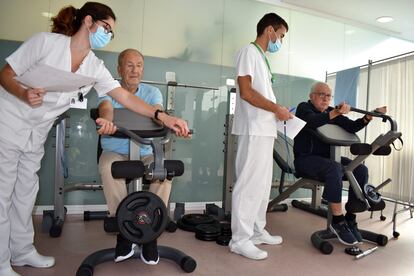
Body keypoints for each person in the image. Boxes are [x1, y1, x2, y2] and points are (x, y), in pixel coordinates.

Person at [0, 3, 189, 275]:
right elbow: (5, 74)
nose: (109, 35)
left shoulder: (93, 65)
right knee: (4, 192)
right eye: (107, 28)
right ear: (88, 21)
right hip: (11, 120)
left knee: (26, 191)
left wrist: (164, 116)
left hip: (37, 130)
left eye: (112, 33)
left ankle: (22, 250)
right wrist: (22, 94)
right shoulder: (45, 43)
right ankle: (2, 260)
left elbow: (123, 97)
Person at [98, 48, 173, 265]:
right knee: (108, 167)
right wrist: (107, 120)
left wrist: (165, 119)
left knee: (163, 171)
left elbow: (157, 111)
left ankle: (151, 230)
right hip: (116, 151)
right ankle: (124, 229)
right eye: (129, 65)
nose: (135, 70)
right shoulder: (108, 89)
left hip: (145, 152)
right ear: (119, 68)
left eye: (139, 65)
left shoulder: (152, 93)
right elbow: (105, 108)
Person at [229, 13, 293, 260]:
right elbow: (245, 92)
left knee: (262, 185)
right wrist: (276, 108)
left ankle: (256, 231)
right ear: (270, 30)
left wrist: (278, 111)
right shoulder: (248, 52)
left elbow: (262, 96)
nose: (281, 41)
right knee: (248, 185)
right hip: (252, 129)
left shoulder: (262, 59)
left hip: (265, 130)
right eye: (281, 35)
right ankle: (239, 240)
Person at [293, 81, 386, 245]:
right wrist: (336, 112)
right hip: (305, 159)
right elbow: (312, 122)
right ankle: (337, 221)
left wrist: (368, 117)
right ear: (312, 96)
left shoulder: (331, 111)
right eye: (322, 94)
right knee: (334, 168)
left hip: (328, 158)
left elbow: (352, 127)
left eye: (328, 96)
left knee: (359, 168)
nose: (326, 99)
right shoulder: (303, 108)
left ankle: (350, 218)